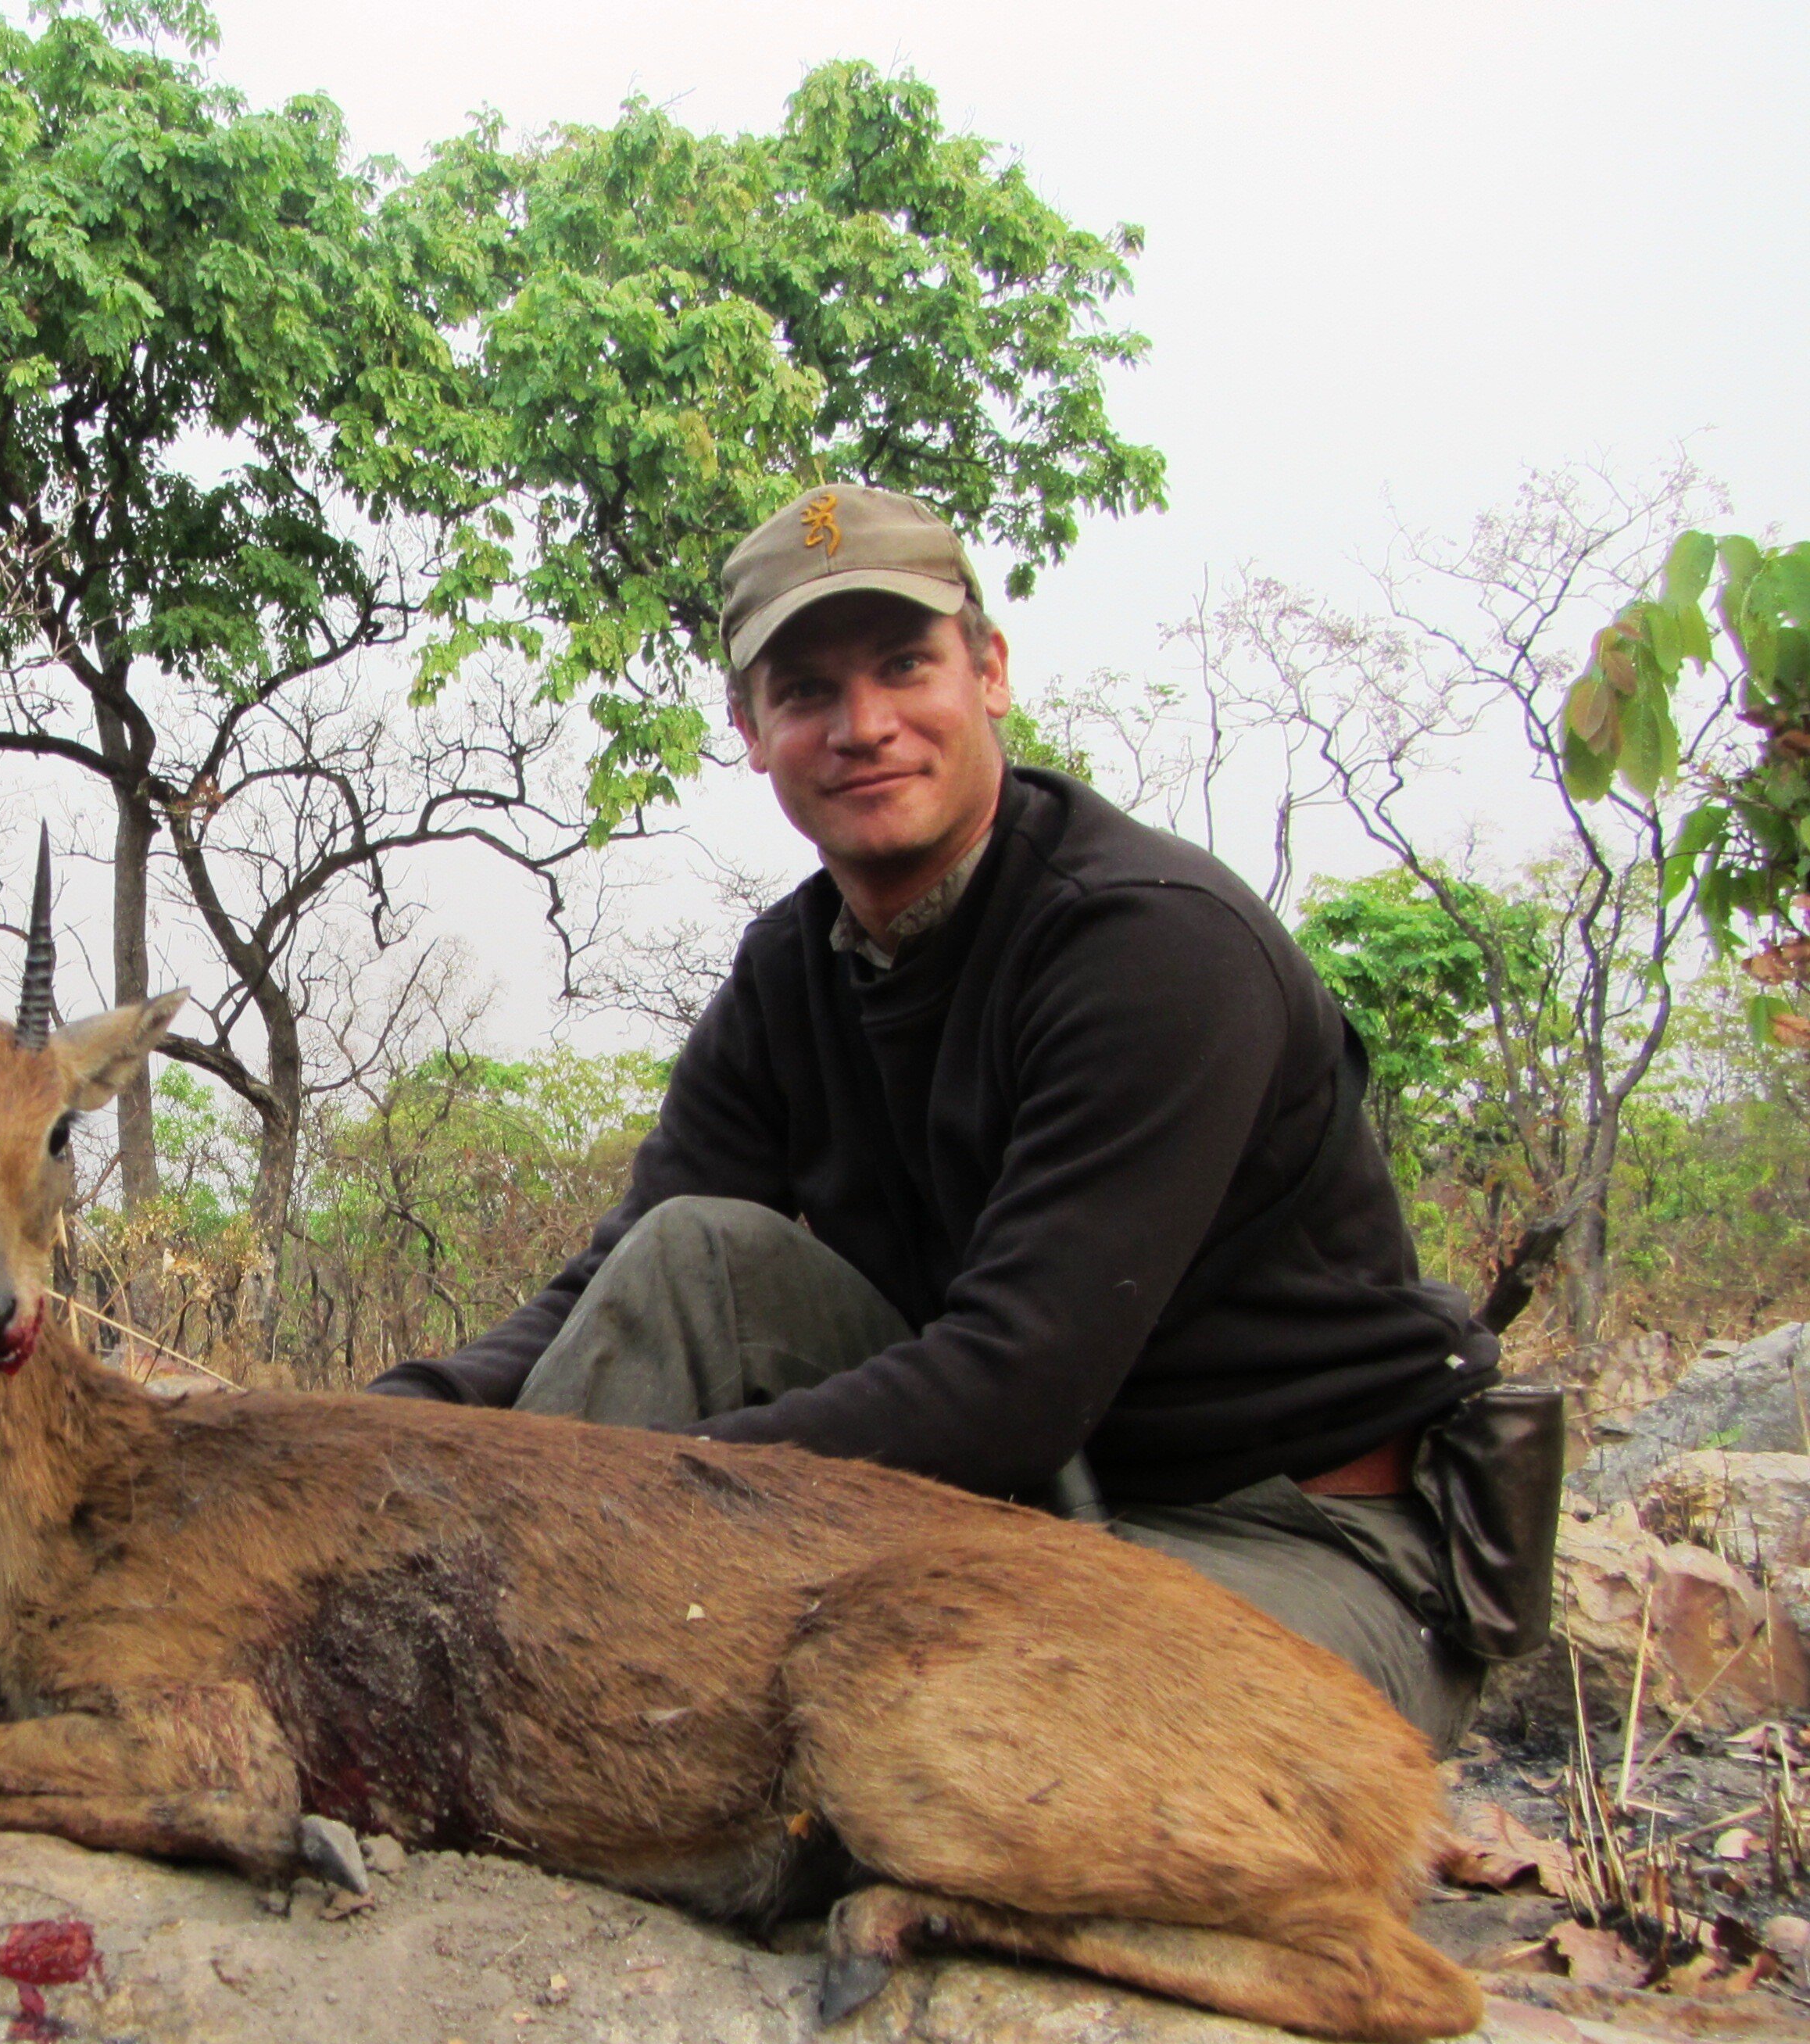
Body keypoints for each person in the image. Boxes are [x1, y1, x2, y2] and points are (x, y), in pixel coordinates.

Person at [372, 484, 1508, 1745]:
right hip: (1030, 1513)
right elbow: (610, 1292)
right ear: (752, 730)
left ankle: (567, 1680)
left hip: (1297, 1543)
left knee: (937, 1729)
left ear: (990, 674)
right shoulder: (790, 975)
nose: (864, 726)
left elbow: (1011, 1385)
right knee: (694, 1252)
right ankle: (471, 1671)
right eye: (806, 691)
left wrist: (630, 1504)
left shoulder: (1154, 947)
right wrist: (381, 1423)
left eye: (905, 665)